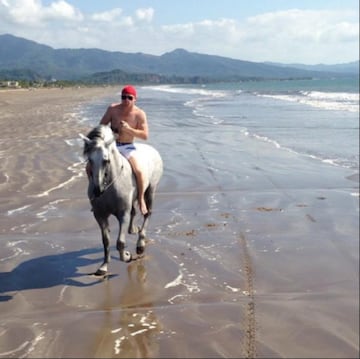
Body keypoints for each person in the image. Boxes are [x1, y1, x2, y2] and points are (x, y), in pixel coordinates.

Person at [87, 85, 149, 215]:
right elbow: (101, 126)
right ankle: (95, 195)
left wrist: (129, 130)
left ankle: (141, 198)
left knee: (139, 171)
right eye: (123, 97)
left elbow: (145, 135)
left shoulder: (139, 114)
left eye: (129, 98)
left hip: (127, 146)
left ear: (135, 99)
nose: (126, 100)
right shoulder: (113, 109)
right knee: (89, 167)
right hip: (111, 145)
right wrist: (110, 132)